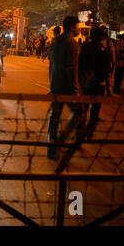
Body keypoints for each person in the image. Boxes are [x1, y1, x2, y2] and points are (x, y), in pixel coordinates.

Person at [47, 16, 86, 160]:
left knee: (55, 117)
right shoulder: (72, 44)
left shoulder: (56, 42)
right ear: (71, 27)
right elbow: (71, 68)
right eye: (78, 27)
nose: (79, 29)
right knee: (79, 111)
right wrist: (76, 89)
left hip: (56, 85)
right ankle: (61, 140)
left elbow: (52, 65)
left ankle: (52, 146)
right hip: (68, 88)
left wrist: (51, 84)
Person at [79, 27, 111, 139]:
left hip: (86, 83)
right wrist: (107, 86)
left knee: (83, 110)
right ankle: (89, 130)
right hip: (98, 85)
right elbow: (107, 70)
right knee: (95, 111)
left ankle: (79, 135)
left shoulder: (85, 47)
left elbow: (80, 65)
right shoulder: (104, 50)